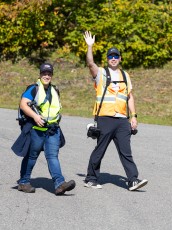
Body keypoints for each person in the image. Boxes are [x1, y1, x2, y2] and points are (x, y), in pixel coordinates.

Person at [83, 31, 148, 191]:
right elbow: (90, 63)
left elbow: (129, 97)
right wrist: (90, 46)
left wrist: (133, 116)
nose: (113, 58)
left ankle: (133, 180)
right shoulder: (101, 73)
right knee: (100, 150)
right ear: (107, 59)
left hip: (122, 120)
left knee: (126, 152)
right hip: (105, 118)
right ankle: (91, 178)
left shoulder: (125, 75)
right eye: (110, 56)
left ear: (119, 59)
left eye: (116, 56)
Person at [17, 63, 75, 195]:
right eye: (44, 73)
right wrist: (35, 117)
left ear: (52, 75)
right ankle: (24, 182)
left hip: (52, 130)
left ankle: (59, 184)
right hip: (36, 129)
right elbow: (23, 104)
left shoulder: (55, 90)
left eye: (49, 74)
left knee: (53, 156)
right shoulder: (34, 89)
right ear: (40, 74)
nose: (46, 76)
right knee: (32, 156)